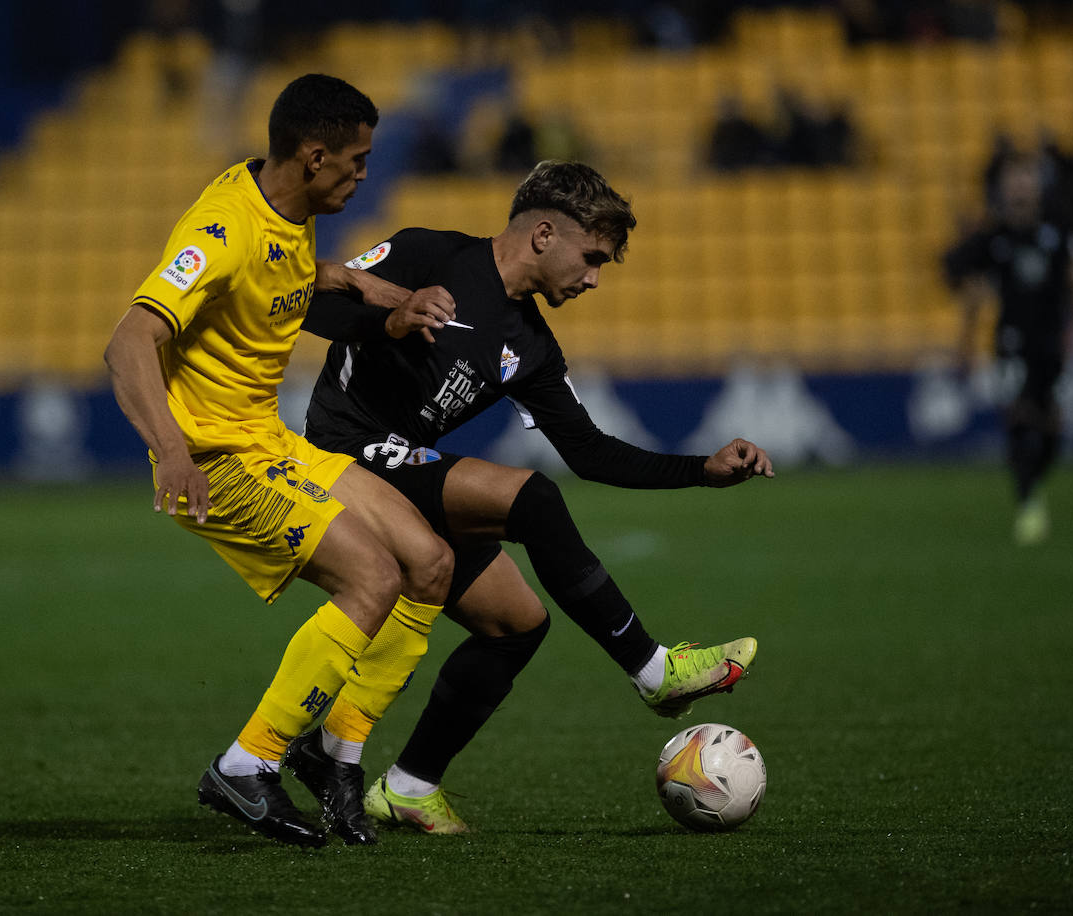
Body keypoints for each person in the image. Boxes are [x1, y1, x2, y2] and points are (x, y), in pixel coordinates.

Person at [285, 160, 773, 834]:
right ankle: (652, 668)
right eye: (592, 257)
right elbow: (304, 297)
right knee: (532, 498)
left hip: (406, 478)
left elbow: (591, 451)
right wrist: (389, 318)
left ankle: (409, 785)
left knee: (515, 624)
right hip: (342, 451)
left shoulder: (532, 345)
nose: (595, 278)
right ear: (545, 234)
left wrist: (701, 470)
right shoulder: (431, 252)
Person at [103, 74, 455, 848]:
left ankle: (335, 755)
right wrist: (171, 452)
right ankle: (246, 764)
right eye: (355, 162)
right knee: (373, 577)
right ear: (313, 154)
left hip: (269, 438)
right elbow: (129, 339)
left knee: (429, 561)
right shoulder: (221, 229)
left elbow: (291, 272)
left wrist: (366, 285)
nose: (363, 175)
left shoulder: (283, 205)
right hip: (216, 456)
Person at [945, 153, 1073, 545]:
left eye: (1025, 178)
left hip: (1050, 341)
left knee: (1049, 426)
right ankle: (1028, 502)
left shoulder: (1059, 232)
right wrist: (964, 344)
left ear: (1036, 184)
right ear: (1003, 187)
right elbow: (974, 295)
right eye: (1013, 179)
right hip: (1010, 340)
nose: (1019, 186)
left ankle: (1034, 480)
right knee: (1019, 416)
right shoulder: (994, 238)